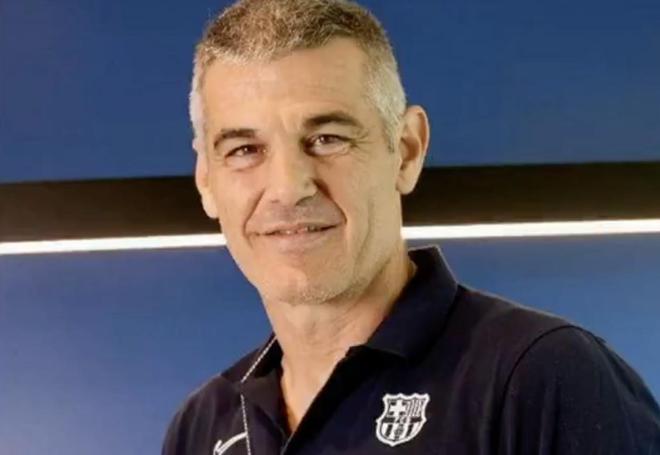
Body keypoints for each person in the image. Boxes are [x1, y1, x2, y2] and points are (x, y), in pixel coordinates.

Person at [162, 0, 660, 453]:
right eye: (245, 150)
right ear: (206, 179)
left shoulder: (542, 378)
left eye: (328, 138)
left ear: (406, 151)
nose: (289, 188)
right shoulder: (202, 426)